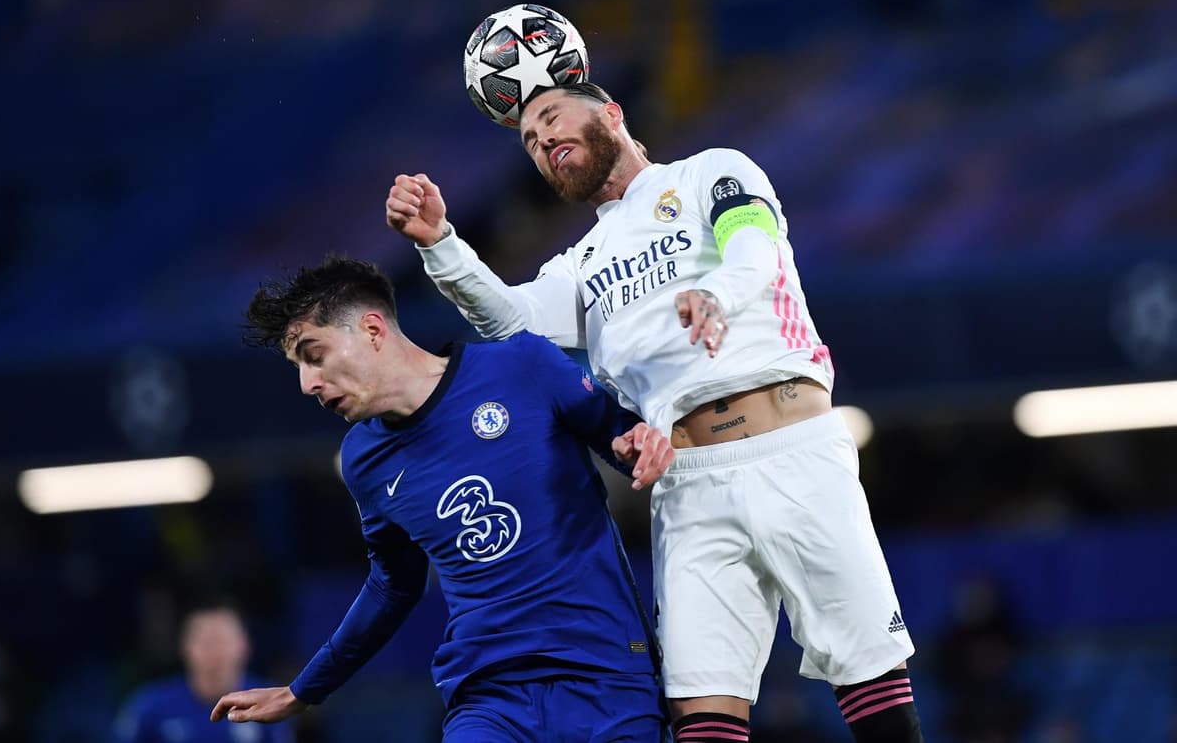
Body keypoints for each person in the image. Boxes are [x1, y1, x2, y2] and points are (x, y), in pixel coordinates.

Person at [385, 81, 922, 742]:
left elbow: (753, 246)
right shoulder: (582, 263)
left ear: (612, 113)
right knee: (701, 710)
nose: (543, 139)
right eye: (529, 140)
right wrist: (440, 243)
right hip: (687, 487)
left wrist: (716, 292)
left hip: (794, 448)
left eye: (552, 118)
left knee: (869, 676)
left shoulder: (711, 171)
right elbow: (511, 323)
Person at [212, 256, 673, 741]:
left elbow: (624, 441)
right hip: (490, 699)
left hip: (606, 676)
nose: (308, 384)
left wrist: (637, 446)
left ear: (372, 330)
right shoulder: (365, 459)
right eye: (298, 367)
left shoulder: (522, 365)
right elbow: (393, 584)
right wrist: (303, 690)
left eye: (314, 354)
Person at [116, 599, 292, 743]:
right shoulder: (150, 706)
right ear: (185, 647)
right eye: (206, 641)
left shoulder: (267, 704)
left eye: (223, 640)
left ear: (245, 646)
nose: (215, 651)